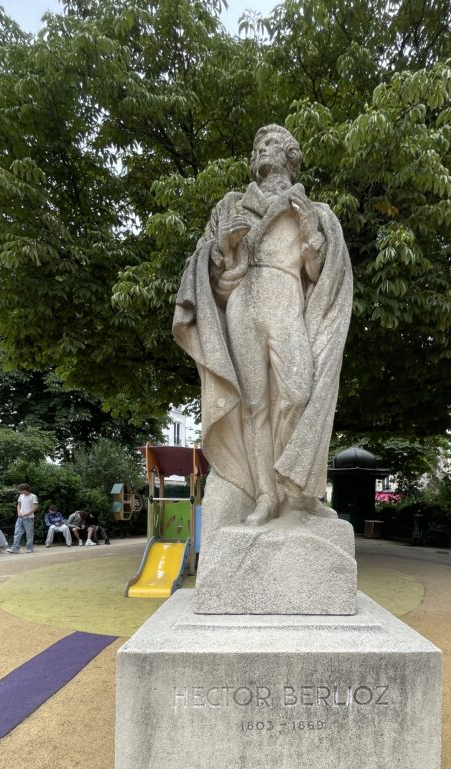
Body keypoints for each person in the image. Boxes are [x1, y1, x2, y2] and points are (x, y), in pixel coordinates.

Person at [173, 123, 353, 537]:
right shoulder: (232, 204)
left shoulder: (314, 209)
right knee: (253, 406)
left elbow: (319, 275)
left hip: (286, 297)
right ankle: (266, 495)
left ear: (290, 154)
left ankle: (299, 491)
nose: (260, 151)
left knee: (298, 393)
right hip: (243, 305)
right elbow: (211, 274)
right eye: (257, 146)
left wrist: (311, 235)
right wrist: (224, 245)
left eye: (269, 144)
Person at [7, 483, 39, 553]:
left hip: (29, 518)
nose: (19, 491)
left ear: (25, 490)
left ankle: (29, 548)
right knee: (17, 533)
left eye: (20, 490)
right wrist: (19, 512)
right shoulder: (21, 496)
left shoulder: (33, 496)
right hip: (20, 517)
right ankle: (15, 548)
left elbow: (36, 507)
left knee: (29, 534)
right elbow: (19, 505)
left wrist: (27, 513)